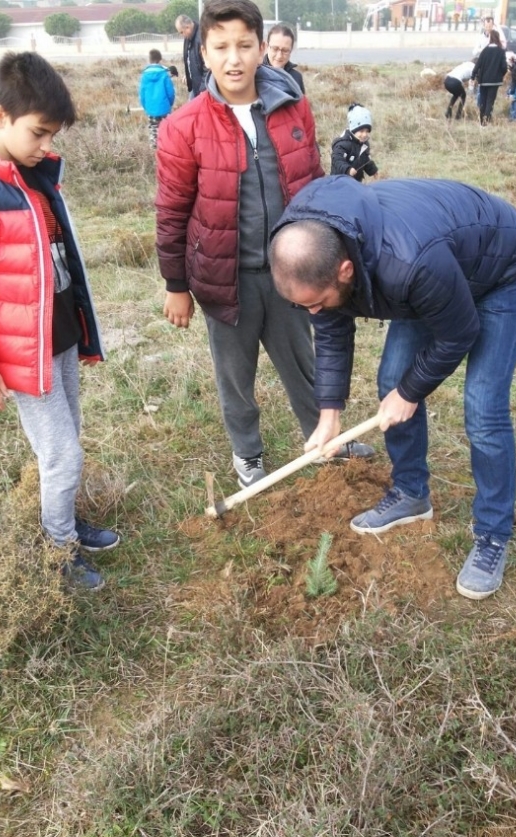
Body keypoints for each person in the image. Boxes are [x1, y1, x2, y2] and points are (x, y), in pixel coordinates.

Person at [269, 176, 516, 600]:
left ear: (345, 270)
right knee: (391, 380)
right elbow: (331, 328)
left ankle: (493, 534)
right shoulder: (312, 243)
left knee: (483, 408)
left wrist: (411, 392)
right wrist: (329, 415)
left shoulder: (409, 263)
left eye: (316, 301)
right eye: (304, 305)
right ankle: (411, 493)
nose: (313, 312)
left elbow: (459, 333)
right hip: (438, 268)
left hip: (500, 268)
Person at [155, 0, 373, 490]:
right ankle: (247, 453)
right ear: (204, 53)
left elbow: (313, 184)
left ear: (261, 49)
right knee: (235, 375)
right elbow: (171, 212)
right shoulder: (182, 126)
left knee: (304, 363)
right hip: (224, 278)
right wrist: (176, 285)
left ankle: (324, 439)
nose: (233, 59)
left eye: (244, 45)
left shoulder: (293, 108)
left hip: (289, 273)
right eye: (221, 47)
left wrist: (331, 253)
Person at [0, 52, 118, 591]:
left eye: (53, 135)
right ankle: (59, 551)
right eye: (38, 132)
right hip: (18, 350)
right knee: (62, 454)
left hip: (57, 336)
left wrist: (80, 330)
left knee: (68, 440)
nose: (46, 145)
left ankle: (66, 522)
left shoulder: (36, 175)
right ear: (0, 116)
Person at [330, 104, 379, 181]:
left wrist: (373, 170)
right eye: (361, 131)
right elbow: (337, 160)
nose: (364, 134)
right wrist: (348, 169)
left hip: (355, 182)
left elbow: (365, 159)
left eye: (367, 131)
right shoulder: (342, 144)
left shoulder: (364, 144)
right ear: (353, 130)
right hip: (339, 181)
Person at [139, 49, 176, 149]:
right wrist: (170, 103)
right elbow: (170, 92)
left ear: (149, 60)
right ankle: (167, 147)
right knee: (166, 128)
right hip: (164, 107)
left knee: (153, 129)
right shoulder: (164, 74)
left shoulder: (145, 76)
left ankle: (154, 148)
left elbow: (142, 94)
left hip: (151, 108)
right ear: (160, 59)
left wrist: (145, 106)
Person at [471, 29, 508, 125]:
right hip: (495, 81)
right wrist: (501, 75)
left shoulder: (485, 50)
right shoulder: (501, 51)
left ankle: (481, 120)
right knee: (490, 101)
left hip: (483, 80)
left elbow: (478, 65)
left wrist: (473, 76)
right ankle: (486, 121)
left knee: (482, 101)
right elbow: (504, 67)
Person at [263, 22, 304, 93]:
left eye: (285, 50)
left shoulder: (296, 78)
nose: (279, 56)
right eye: (275, 49)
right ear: (267, 46)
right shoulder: (255, 75)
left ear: (291, 50)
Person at [175, 14, 207, 99]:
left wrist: (203, 89)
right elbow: (189, 60)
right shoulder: (188, 38)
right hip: (194, 85)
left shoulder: (201, 38)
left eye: (181, 32)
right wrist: (188, 75)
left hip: (202, 88)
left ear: (187, 27)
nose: (182, 35)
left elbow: (207, 67)